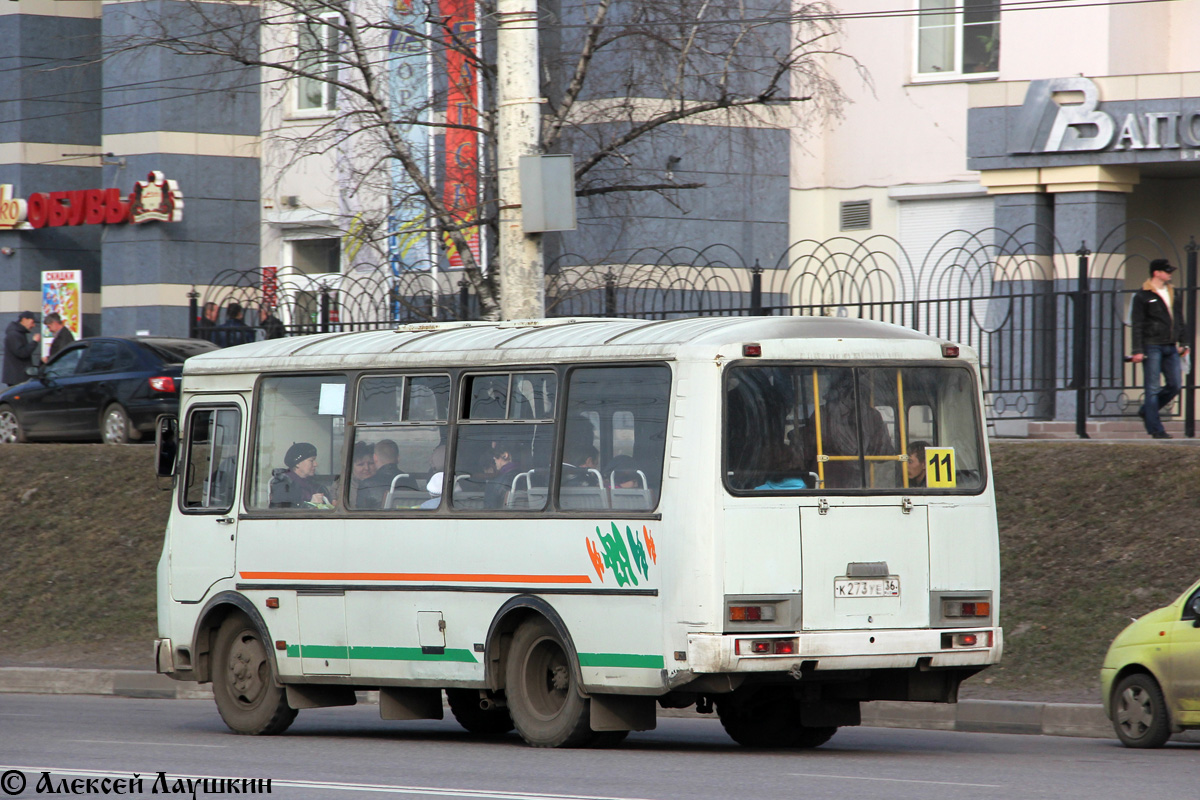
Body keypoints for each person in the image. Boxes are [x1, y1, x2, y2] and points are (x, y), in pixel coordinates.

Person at [1131, 258, 1189, 439]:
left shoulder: (1173, 293)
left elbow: (1179, 319)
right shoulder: (1143, 295)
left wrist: (1184, 342)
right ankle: (1156, 429)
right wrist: (1137, 350)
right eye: (1166, 271)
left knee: (1175, 385)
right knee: (1152, 387)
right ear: (1156, 273)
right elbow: (1137, 324)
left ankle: (1147, 411)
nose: (1169, 274)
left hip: (1170, 346)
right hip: (1152, 345)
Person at [269, 442, 332, 508]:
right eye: (311, 460)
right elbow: (282, 513)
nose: (316, 464)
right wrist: (310, 505)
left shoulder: (316, 485)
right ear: (297, 463)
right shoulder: (283, 485)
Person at [3, 311, 40, 388]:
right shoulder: (14, 334)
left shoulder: (18, 333)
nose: (33, 325)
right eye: (32, 322)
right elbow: (21, 353)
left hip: (18, 376)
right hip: (17, 377)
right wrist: (34, 342)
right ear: (24, 319)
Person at [484, 444, 521, 508]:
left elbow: (489, 512)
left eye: (496, 454)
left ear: (505, 455)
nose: (494, 458)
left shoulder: (494, 484)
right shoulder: (527, 479)